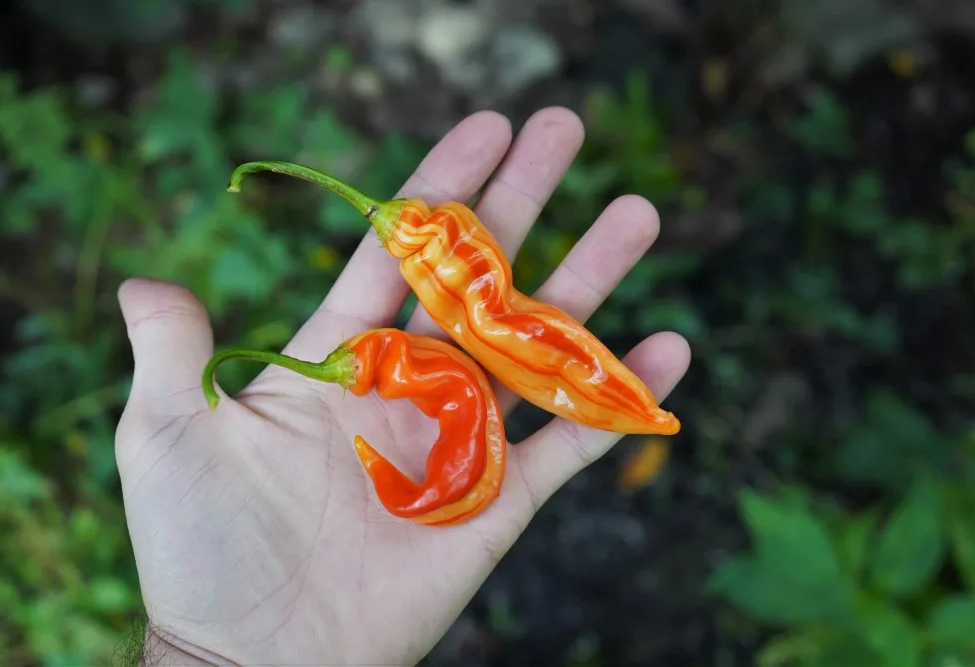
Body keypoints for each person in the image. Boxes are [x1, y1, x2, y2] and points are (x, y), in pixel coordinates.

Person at [114, 107, 692, 666]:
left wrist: (211, 655)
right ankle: (636, 408)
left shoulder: (425, 262)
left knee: (499, 323)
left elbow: (507, 334)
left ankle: (635, 407)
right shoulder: (421, 288)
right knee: (500, 326)